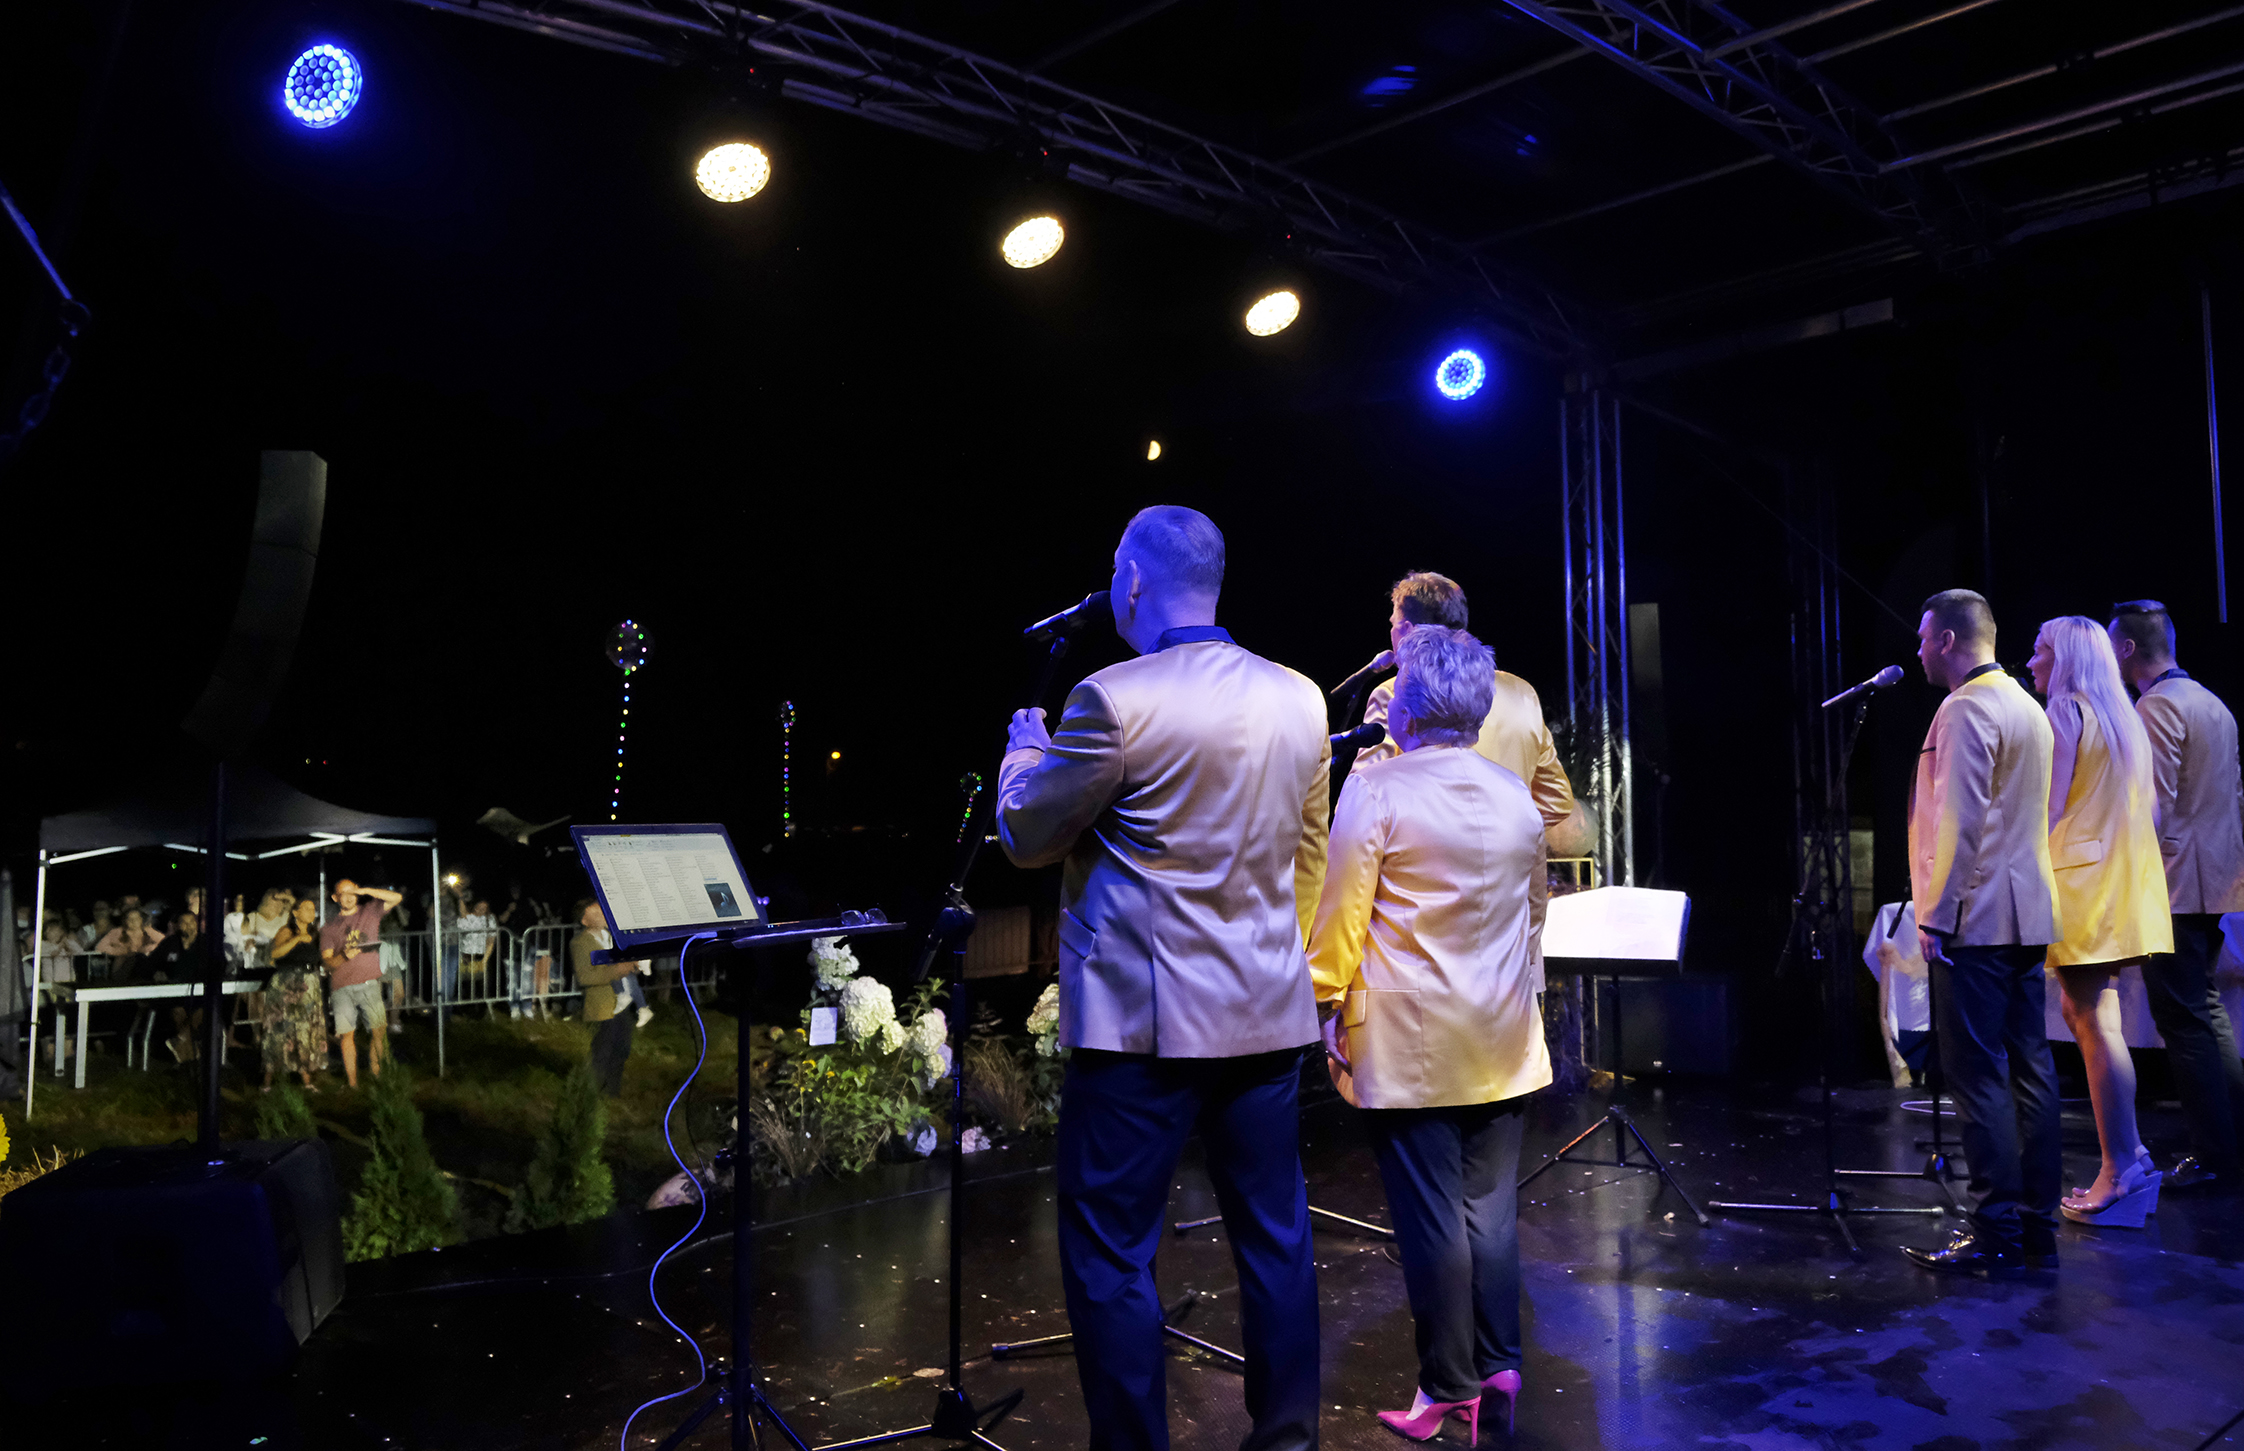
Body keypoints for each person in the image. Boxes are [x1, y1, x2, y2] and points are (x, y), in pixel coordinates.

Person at [997, 505, 1329, 1451]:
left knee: (1111, 1252)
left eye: (1115, 570)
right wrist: (1280, 957)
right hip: (1266, 1016)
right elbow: (1310, 854)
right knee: (1276, 1237)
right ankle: (1289, 1440)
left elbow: (1027, 835)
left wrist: (1023, 751)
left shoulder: (1112, 699)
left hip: (1141, 1031)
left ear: (1134, 581)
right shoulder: (1301, 698)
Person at [1307, 626, 1550, 1443]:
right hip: (1504, 1033)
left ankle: (1449, 1385)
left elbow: (1341, 919)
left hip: (1411, 1043)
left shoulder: (1377, 789)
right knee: (1491, 1212)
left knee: (1432, 1221)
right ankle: (1501, 1363)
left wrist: (1321, 1004)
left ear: (1405, 705)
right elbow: (1531, 917)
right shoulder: (1514, 794)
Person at [1904, 589, 2065, 1273]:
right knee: (2031, 1066)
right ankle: (2037, 1225)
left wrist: (1936, 915)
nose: (1917, 650)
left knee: (1978, 1075)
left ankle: (1996, 1227)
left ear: (1947, 639)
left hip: (1978, 915)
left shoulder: (1966, 707)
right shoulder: (2027, 704)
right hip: (2026, 911)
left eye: (1922, 637)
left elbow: (1960, 821)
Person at [1348, 572, 1578, 989]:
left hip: (1423, 937)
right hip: (1512, 930)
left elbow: (1360, 817)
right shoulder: (1521, 693)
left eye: (1393, 622)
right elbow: (1557, 802)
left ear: (1405, 629)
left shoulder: (1396, 694)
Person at [2024, 617, 2173, 1225]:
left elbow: (2047, 808)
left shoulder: (2064, 711)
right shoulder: (2122, 717)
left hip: (2082, 884)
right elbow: (2151, 812)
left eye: (2040, 651)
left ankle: (2119, 1168)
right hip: (2123, 882)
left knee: (2090, 1020)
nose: (2031, 662)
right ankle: (2129, 1156)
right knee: (2095, 1016)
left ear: (2063, 658)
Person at [2109, 599, 2244, 1189]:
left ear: (2127, 649)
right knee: (2203, 1012)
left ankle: (2215, 1156)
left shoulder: (2157, 705)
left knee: (2185, 1021)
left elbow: (2151, 803)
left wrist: (2126, 879)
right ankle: (2229, 1147)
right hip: (2212, 880)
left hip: (2176, 885)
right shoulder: (2211, 701)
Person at [320, 878, 402, 1088]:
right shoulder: (329, 927)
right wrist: (343, 956)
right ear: (335, 898)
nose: (348, 898)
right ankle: (353, 1083)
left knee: (379, 1031)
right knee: (347, 1035)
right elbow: (327, 962)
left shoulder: (370, 911)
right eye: (343, 894)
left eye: (352, 893)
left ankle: (377, 1074)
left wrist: (365, 889)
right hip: (342, 986)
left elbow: (396, 898)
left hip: (369, 983)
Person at [572, 900, 646, 1097]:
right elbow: (585, 977)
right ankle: (593, 1093)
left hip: (622, 1005)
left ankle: (612, 1092)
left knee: (622, 1048)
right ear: (585, 920)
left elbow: (625, 965)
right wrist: (616, 971)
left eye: (602, 911)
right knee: (602, 1051)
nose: (603, 915)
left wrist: (633, 966)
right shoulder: (580, 943)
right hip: (601, 1007)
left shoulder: (613, 938)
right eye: (596, 912)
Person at [261, 896, 326, 1092]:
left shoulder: (316, 934)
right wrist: (297, 939)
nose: (311, 912)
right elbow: (275, 954)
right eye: (306, 908)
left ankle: (306, 1079)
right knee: (280, 1029)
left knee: (305, 1030)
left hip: (309, 984)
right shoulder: (287, 931)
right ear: (296, 913)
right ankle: (268, 1081)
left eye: (313, 909)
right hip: (286, 983)